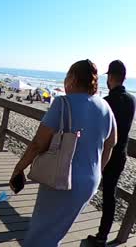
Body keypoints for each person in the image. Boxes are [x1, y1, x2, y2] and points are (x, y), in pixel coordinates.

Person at [10, 59, 117, 247]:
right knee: (57, 231)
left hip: (61, 178)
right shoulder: (105, 107)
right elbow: (111, 144)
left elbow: (37, 143)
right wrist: (97, 171)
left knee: (40, 233)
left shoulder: (62, 103)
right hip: (90, 182)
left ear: (73, 78)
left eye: (66, 77)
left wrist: (18, 169)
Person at [87, 60, 136, 246]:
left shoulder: (106, 102)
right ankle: (102, 236)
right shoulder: (132, 100)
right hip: (121, 155)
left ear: (110, 77)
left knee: (87, 184)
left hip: (103, 153)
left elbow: (95, 130)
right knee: (110, 195)